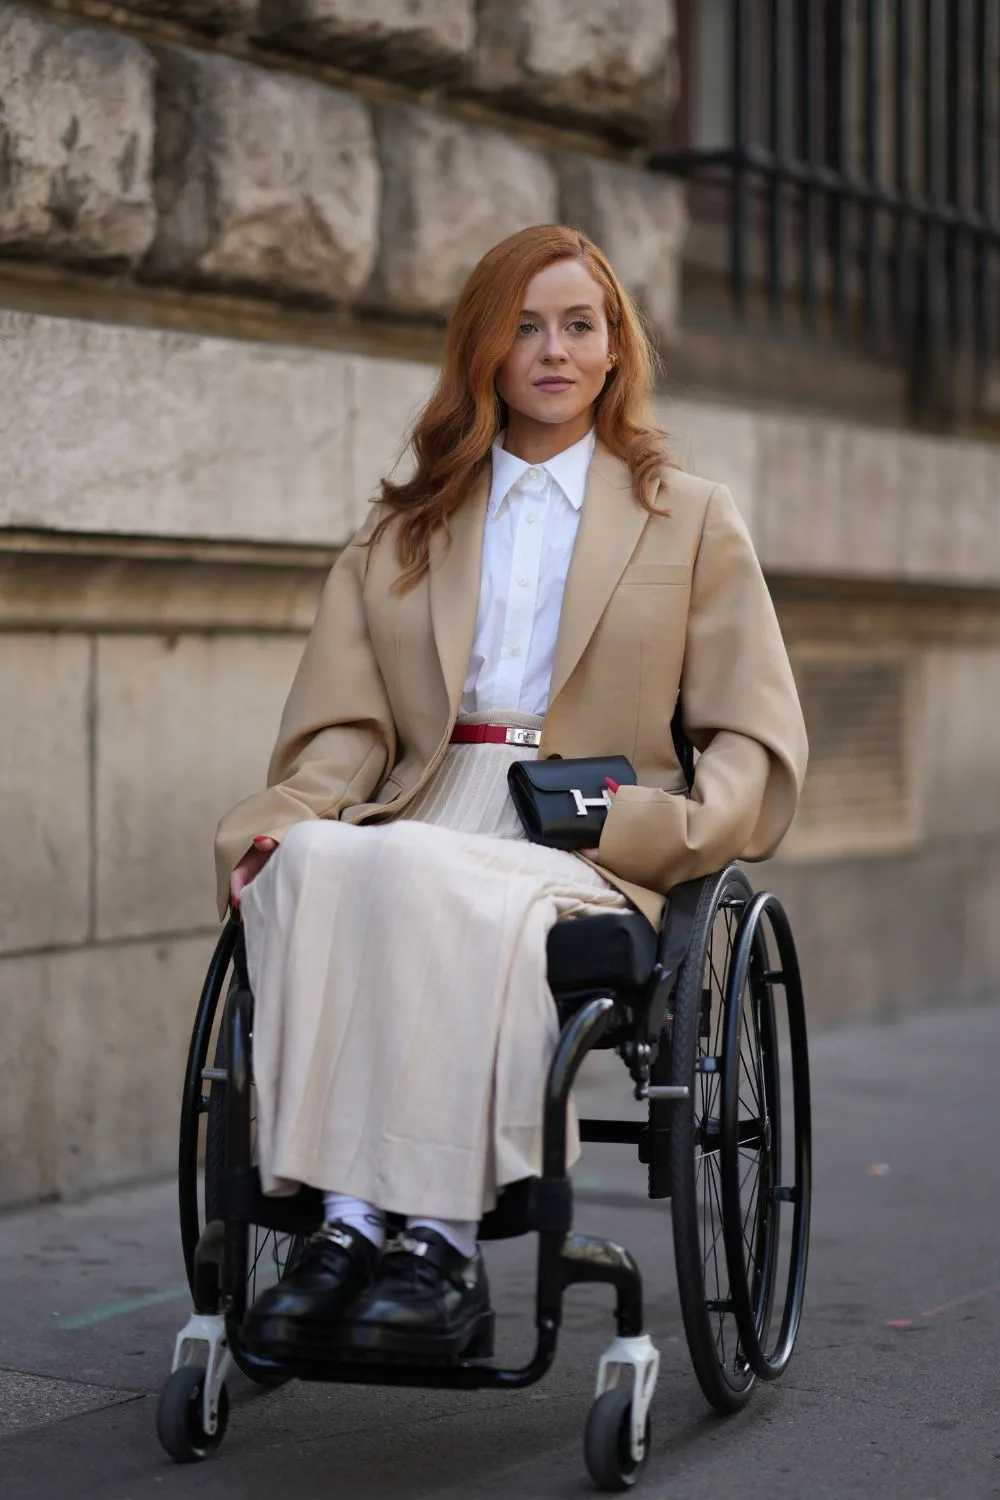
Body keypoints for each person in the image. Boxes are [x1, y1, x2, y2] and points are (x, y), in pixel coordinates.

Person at [213, 224, 808, 1365]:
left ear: (614, 347)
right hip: (427, 801)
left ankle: (435, 1241)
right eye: (523, 326)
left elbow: (750, 732)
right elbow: (347, 731)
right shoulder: (405, 526)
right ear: (482, 349)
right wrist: (283, 823)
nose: (552, 349)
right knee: (329, 861)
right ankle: (339, 1231)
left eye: (578, 324)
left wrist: (665, 833)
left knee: (430, 876)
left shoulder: (688, 514)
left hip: (580, 830)